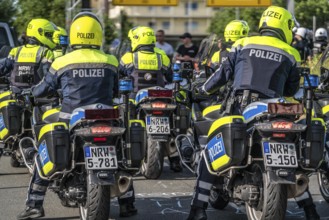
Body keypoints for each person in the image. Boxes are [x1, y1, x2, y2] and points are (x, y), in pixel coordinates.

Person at [187, 6, 320, 220]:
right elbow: (291, 89)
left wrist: (202, 89)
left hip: (242, 108)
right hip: (277, 110)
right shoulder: (292, 53)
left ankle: (197, 209)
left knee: (208, 153)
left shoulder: (243, 43)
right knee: (290, 156)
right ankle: (310, 209)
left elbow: (221, 76)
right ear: (285, 26)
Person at [17, 12, 137, 219]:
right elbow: (118, 89)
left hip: (70, 119)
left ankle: (34, 204)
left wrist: (31, 94)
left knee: (44, 150)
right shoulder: (111, 61)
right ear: (97, 34)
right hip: (107, 118)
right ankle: (127, 203)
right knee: (118, 156)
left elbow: (42, 89)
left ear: (74, 35)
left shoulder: (62, 61)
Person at [118, 26, 182, 172]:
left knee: (125, 125)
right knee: (171, 129)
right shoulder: (161, 56)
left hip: (136, 100)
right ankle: (175, 159)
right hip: (161, 98)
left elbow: (119, 75)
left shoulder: (129, 57)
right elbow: (171, 76)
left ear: (136, 40)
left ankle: (125, 156)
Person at [0, 18, 56, 88]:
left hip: (15, 95)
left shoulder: (15, 51)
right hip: (36, 96)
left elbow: (2, 69)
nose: (51, 38)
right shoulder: (46, 52)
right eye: (49, 34)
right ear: (40, 32)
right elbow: (49, 79)